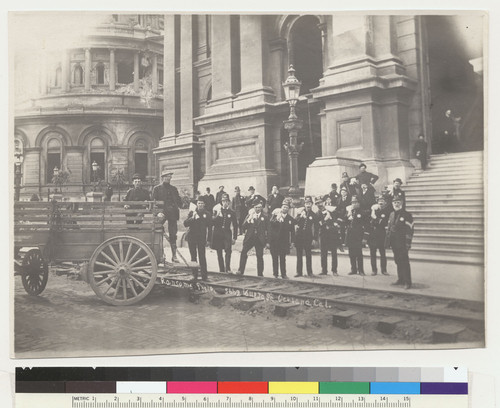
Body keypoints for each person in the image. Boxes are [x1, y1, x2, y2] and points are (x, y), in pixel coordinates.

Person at [152, 170, 183, 263]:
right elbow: (153, 202)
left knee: (173, 235)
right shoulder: (157, 189)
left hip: (172, 214)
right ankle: (159, 254)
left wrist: (182, 204)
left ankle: (174, 256)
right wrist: (157, 213)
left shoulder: (174, 189)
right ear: (162, 178)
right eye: (166, 176)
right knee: (158, 233)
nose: (168, 178)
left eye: (169, 177)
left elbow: (179, 201)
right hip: (162, 213)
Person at [385, 196, 414, 289]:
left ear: (402, 203)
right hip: (394, 242)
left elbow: (410, 230)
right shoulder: (392, 214)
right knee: (397, 260)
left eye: (398, 202)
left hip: (402, 242)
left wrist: (408, 243)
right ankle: (400, 279)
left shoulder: (407, 215)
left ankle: (407, 282)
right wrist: (388, 241)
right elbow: (389, 229)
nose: (396, 204)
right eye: (394, 202)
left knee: (404, 261)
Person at [237, 200, 268, 276]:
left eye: (260, 207)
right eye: (256, 207)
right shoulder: (249, 216)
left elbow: (268, 229)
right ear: (254, 208)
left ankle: (260, 273)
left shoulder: (265, 217)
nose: (258, 209)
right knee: (244, 252)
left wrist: (267, 241)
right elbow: (243, 227)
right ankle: (241, 270)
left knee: (259, 256)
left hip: (259, 239)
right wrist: (249, 220)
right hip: (250, 238)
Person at [184, 197, 212, 281]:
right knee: (193, 256)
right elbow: (185, 223)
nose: (200, 205)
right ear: (197, 204)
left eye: (202, 203)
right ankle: (194, 275)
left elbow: (210, 228)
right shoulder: (192, 213)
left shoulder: (207, 214)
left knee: (202, 256)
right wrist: (192, 218)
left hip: (201, 238)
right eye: (199, 203)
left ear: (204, 204)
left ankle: (204, 276)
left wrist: (209, 240)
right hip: (192, 237)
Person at [268, 198, 295, 279]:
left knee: (283, 258)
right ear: (281, 208)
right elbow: (270, 226)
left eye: (287, 207)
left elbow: (292, 231)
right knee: (275, 258)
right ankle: (275, 274)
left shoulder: (290, 219)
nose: (285, 209)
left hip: (284, 242)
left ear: (288, 209)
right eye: (283, 207)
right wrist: (277, 218)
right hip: (274, 241)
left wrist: (292, 242)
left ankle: (284, 274)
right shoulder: (275, 216)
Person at [211, 194, 238, 273]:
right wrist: (217, 216)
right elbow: (212, 222)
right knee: (219, 252)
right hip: (218, 233)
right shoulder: (217, 211)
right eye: (223, 201)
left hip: (227, 233)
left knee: (228, 250)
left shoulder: (232, 212)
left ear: (229, 202)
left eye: (226, 201)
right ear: (221, 202)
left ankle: (228, 268)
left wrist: (235, 237)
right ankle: (221, 269)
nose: (225, 203)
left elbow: (235, 225)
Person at [316, 197, 343, 276]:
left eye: (320, 203)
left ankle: (334, 270)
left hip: (332, 234)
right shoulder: (317, 213)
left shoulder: (331, 210)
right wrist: (325, 219)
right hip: (323, 234)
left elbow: (338, 218)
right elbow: (318, 224)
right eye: (317, 203)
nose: (319, 205)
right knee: (323, 253)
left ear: (324, 203)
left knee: (334, 252)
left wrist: (334, 222)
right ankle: (324, 270)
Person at [294, 196, 318, 277]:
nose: (308, 205)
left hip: (308, 237)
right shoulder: (300, 212)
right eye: (306, 203)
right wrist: (300, 216)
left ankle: (309, 272)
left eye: (309, 203)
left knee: (308, 255)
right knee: (299, 255)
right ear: (304, 204)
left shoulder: (313, 215)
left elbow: (316, 227)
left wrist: (315, 238)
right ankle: (299, 272)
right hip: (299, 236)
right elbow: (295, 222)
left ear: (312, 204)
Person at [368, 195, 392, 276]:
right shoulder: (373, 211)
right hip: (373, 234)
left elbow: (383, 223)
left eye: (382, 201)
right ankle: (374, 270)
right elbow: (370, 223)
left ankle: (384, 270)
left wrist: (375, 219)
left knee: (382, 253)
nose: (380, 202)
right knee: (373, 253)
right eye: (379, 201)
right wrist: (373, 213)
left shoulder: (386, 212)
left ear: (385, 203)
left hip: (381, 234)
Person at [345, 195, 367, 276]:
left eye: (355, 202)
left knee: (358, 253)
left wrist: (365, 238)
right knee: (351, 253)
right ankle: (353, 269)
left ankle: (361, 270)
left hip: (358, 236)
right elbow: (345, 222)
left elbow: (366, 226)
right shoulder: (350, 212)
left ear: (359, 203)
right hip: (350, 235)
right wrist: (348, 215)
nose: (353, 204)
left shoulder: (362, 213)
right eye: (352, 202)